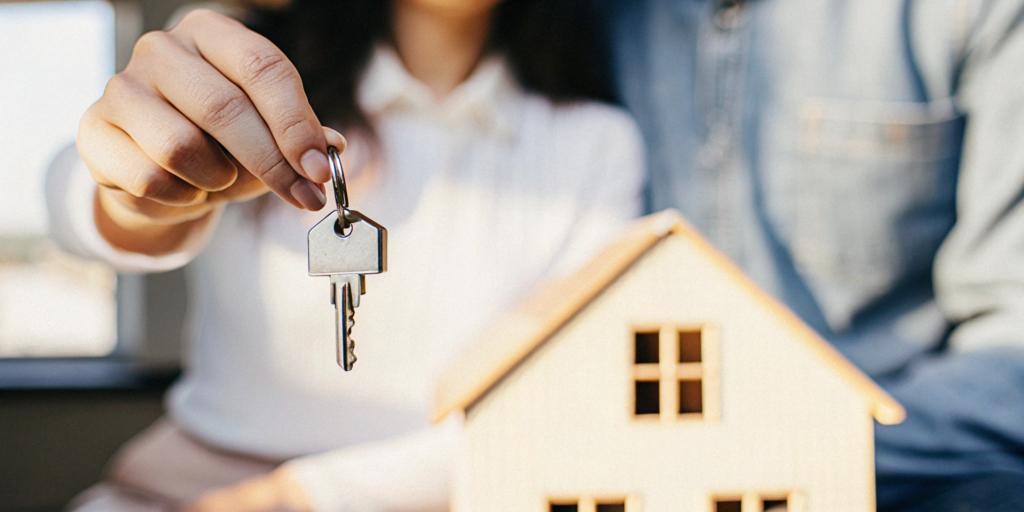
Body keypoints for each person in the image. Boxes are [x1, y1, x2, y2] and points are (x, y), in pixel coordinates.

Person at [48, 0, 643, 510]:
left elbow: (562, 400)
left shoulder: (597, 142)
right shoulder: (251, 63)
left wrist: (300, 495)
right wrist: (135, 193)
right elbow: (85, 198)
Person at [607, 0, 1024, 510]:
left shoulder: (970, 12)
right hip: (628, 470)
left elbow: (1011, 342)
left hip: (896, 467)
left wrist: (799, 458)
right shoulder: (585, 20)